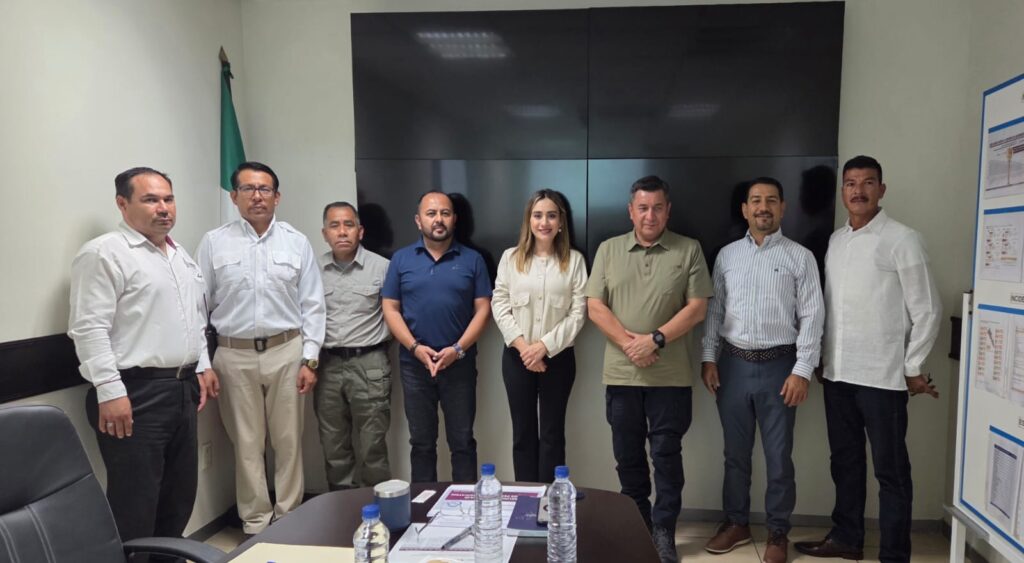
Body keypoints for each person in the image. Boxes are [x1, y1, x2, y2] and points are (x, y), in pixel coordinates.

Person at [794, 156, 941, 562]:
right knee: (845, 463)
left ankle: (894, 554)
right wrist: (821, 358)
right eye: (851, 183)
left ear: (882, 189)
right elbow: (829, 307)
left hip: (883, 378)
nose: (858, 191)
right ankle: (847, 538)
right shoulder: (836, 241)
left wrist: (912, 366)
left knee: (890, 472)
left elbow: (928, 309)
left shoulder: (903, 239)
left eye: (868, 182)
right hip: (838, 375)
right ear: (842, 191)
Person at [68, 167, 219, 561]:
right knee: (135, 503)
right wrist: (109, 390)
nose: (163, 208)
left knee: (178, 498)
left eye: (168, 199)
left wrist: (202, 365)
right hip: (134, 393)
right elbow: (89, 328)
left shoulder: (178, 254)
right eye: (151, 200)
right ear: (122, 204)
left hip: (181, 389)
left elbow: (193, 319)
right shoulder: (104, 253)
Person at [585, 175, 712, 563]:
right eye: (643, 208)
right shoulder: (608, 250)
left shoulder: (689, 249)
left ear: (668, 210)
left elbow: (697, 308)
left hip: (670, 378)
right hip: (622, 376)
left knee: (666, 457)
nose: (650, 215)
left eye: (657, 208)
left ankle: (663, 532)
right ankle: (636, 527)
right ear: (631, 211)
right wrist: (631, 345)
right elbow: (595, 306)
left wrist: (655, 339)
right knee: (628, 458)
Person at [195, 161, 326, 535]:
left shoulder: (296, 242)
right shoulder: (214, 242)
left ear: (277, 197)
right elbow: (196, 307)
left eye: (264, 189)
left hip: (287, 352)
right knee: (246, 444)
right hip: (232, 355)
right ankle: (254, 524)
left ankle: (289, 520)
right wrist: (204, 362)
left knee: (289, 442)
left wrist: (310, 359)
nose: (257, 196)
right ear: (234, 196)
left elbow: (313, 304)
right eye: (248, 189)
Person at [699, 177, 825, 563]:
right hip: (732, 367)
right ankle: (736, 523)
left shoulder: (800, 257)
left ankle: (777, 531)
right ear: (745, 209)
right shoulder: (727, 256)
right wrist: (709, 358)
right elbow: (715, 310)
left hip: (780, 369)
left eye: (771, 200)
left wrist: (802, 370)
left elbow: (813, 315)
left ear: (783, 208)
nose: (763, 207)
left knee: (778, 457)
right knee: (735, 455)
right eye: (755, 201)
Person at [381, 190, 492, 483]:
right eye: (431, 214)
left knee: (462, 442)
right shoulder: (401, 259)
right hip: (415, 365)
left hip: (459, 363)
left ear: (454, 219)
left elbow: (484, 309)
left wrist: (457, 349)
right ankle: (423, 505)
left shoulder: (473, 260)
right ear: (419, 221)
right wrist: (415, 348)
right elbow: (390, 308)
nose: (438, 219)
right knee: (421, 443)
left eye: (445, 213)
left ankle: (465, 504)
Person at [491, 189, 587, 483]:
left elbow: (579, 312)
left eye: (551, 215)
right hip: (517, 357)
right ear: (528, 220)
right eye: (537, 215)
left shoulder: (574, 261)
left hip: (558, 359)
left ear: (561, 222)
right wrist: (525, 349)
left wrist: (543, 347)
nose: (544, 222)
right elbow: (499, 304)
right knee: (522, 433)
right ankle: (525, 495)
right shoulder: (510, 258)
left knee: (552, 433)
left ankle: (549, 497)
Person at [315, 201, 392, 489]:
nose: (342, 231)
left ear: (360, 231)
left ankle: (378, 508)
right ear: (325, 233)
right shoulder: (313, 270)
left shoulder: (382, 268)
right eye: (334, 226)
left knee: (373, 444)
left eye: (348, 225)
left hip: (370, 364)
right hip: (327, 364)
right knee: (333, 445)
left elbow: (396, 315)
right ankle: (341, 506)